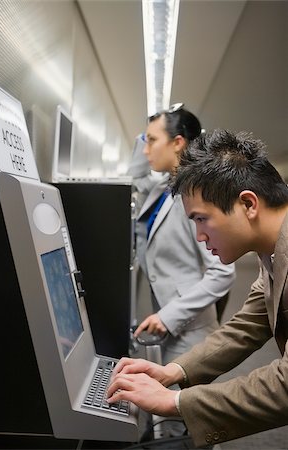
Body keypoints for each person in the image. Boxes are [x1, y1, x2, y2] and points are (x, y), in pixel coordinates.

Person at [108, 129, 288, 447]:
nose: (199, 236)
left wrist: (174, 403)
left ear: (248, 204)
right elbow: (246, 326)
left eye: (201, 219)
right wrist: (173, 372)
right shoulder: (271, 250)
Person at [128, 104, 235, 368]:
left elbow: (222, 273)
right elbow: (136, 175)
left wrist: (169, 317)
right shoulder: (163, 187)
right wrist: (147, 132)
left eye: (152, 140)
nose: (145, 149)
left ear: (177, 142)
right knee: (163, 402)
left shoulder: (197, 194)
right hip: (163, 319)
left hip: (189, 329)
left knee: (176, 406)